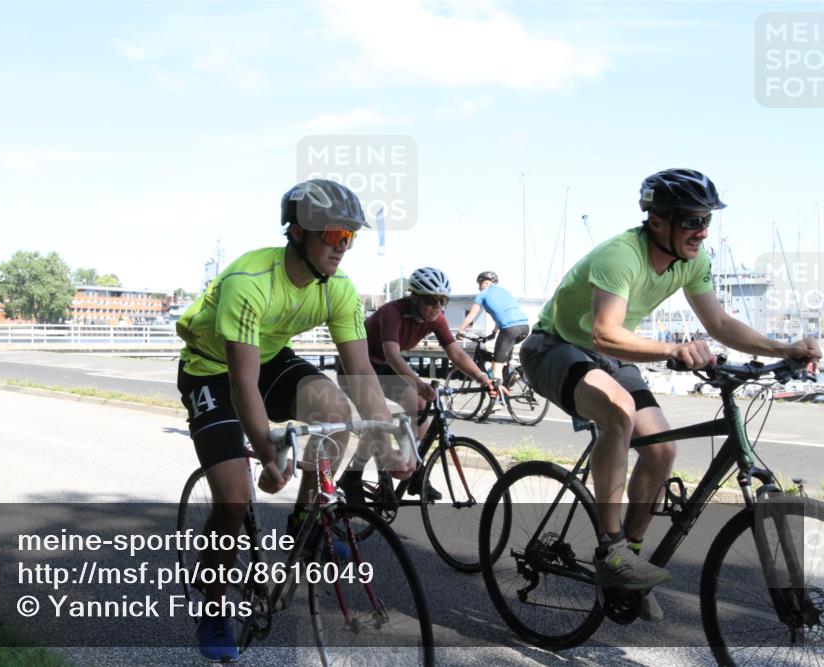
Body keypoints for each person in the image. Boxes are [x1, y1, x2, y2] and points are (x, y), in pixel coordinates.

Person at [519, 168, 821, 622]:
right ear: (657, 220)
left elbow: (720, 325)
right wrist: (672, 349)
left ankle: (632, 564)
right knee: (618, 412)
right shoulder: (621, 257)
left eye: (707, 221)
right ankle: (611, 550)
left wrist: (785, 348)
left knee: (661, 451)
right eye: (692, 221)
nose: (701, 231)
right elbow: (603, 334)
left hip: (612, 353)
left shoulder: (692, 260)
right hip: (554, 346)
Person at [175, 178, 416, 662]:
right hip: (212, 368)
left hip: (266, 359)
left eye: (350, 238)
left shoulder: (338, 290)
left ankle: (306, 522)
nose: (342, 248)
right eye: (333, 235)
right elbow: (242, 384)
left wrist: (385, 439)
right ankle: (215, 605)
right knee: (234, 499)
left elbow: (360, 370)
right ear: (297, 232)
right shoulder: (250, 282)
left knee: (334, 411)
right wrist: (268, 452)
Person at [337, 266, 495, 500]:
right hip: (357, 368)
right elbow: (392, 354)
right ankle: (352, 475)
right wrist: (418, 382)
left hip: (384, 368)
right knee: (380, 419)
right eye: (432, 301)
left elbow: (456, 354)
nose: (438, 307)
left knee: (422, 407)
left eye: (443, 301)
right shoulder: (393, 312)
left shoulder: (435, 318)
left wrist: (483, 377)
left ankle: (414, 472)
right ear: (415, 297)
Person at [456, 271, 530, 411]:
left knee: (496, 364)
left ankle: (497, 402)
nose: (479, 288)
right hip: (524, 327)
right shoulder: (505, 292)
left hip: (509, 329)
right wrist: (494, 332)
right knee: (503, 360)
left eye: (479, 285)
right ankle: (511, 375)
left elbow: (472, 314)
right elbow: (504, 312)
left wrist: (461, 330)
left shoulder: (482, 295)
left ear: (484, 282)